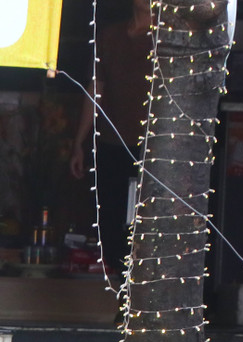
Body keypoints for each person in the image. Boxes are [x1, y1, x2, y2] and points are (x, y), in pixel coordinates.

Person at [69, 0, 153, 267]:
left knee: (145, 223)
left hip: (153, 148)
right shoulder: (111, 35)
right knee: (110, 219)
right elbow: (96, 89)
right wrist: (79, 141)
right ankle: (115, 282)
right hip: (111, 140)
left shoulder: (167, 38)